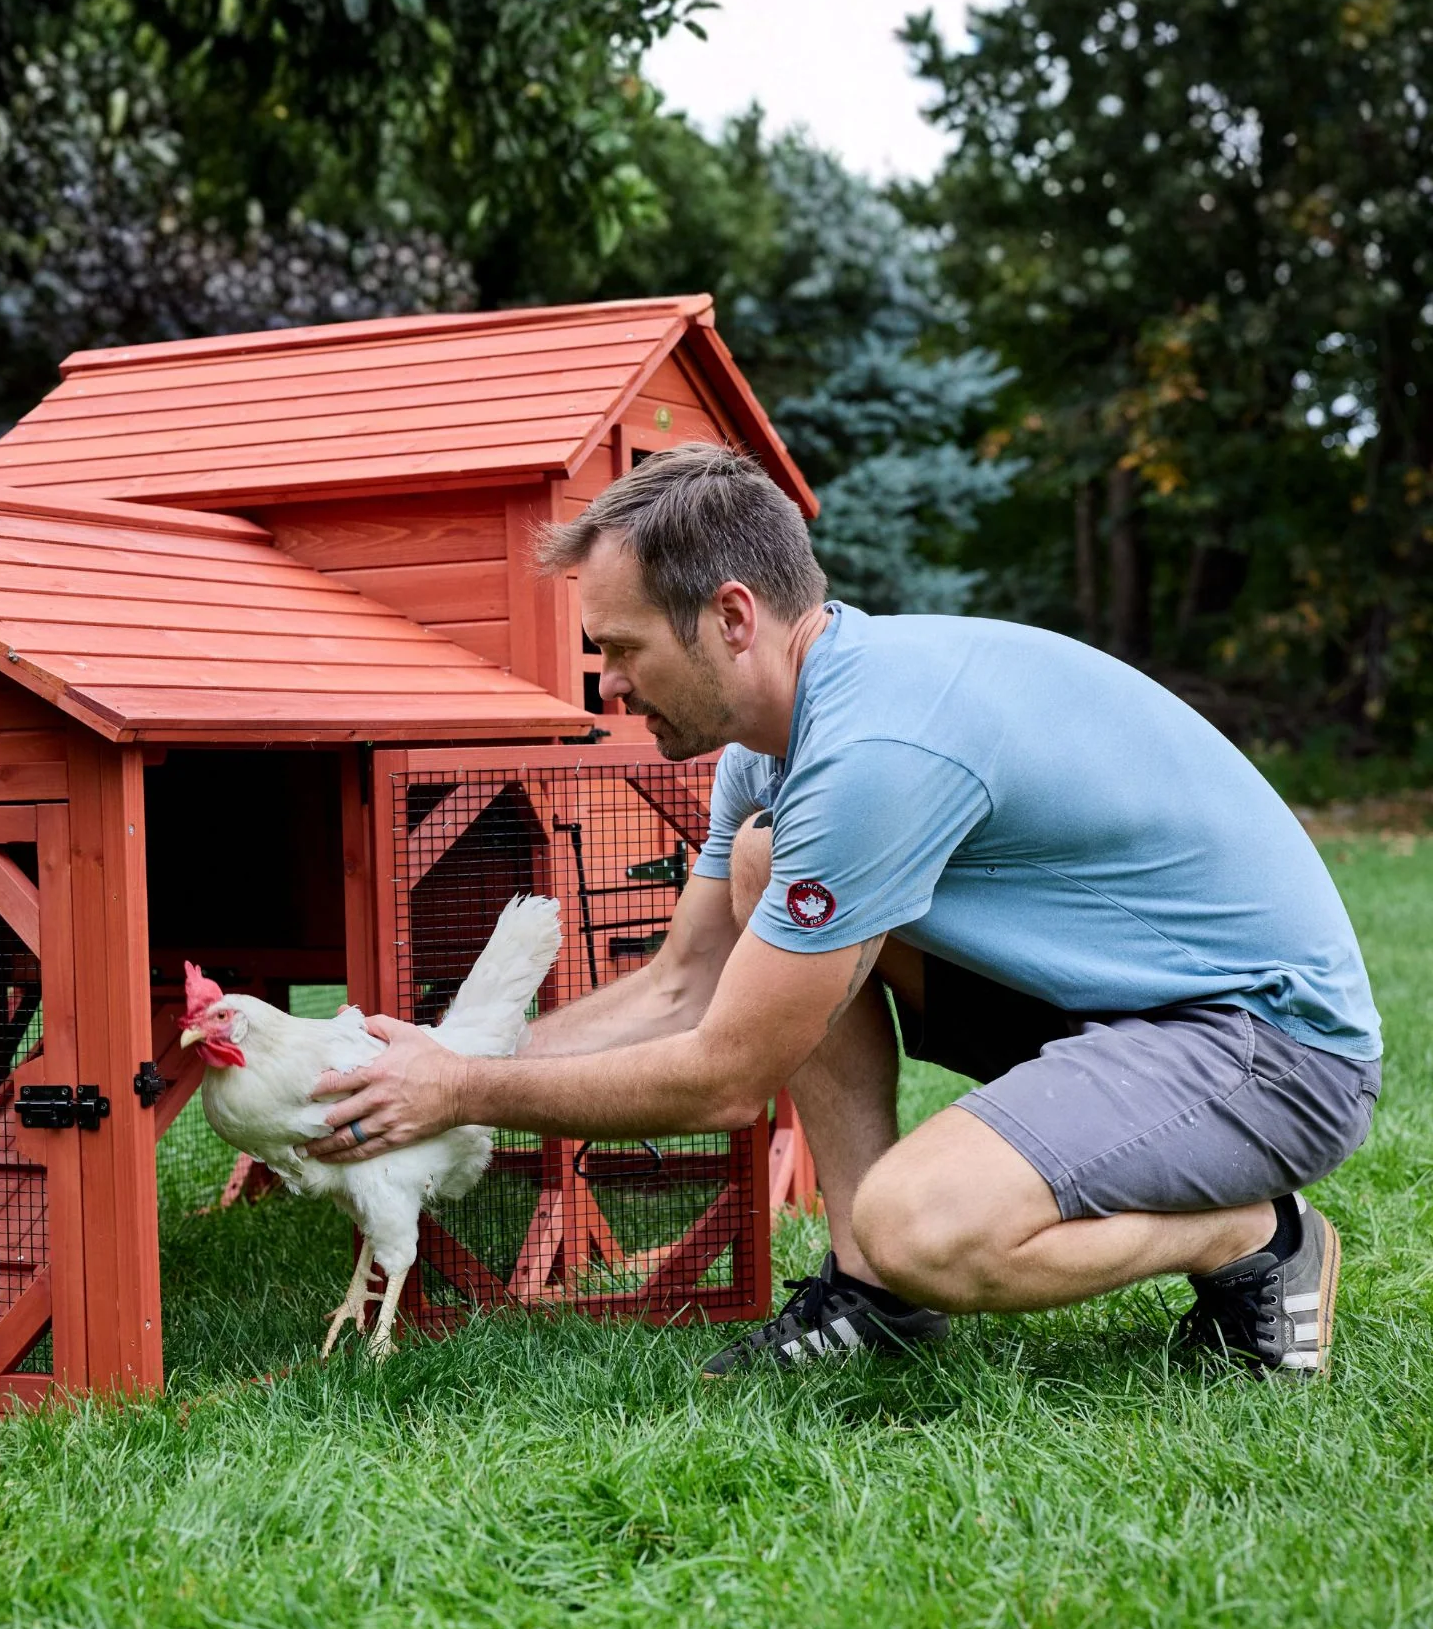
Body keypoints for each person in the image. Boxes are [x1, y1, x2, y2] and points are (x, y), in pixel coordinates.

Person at [308, 443, 1382, 1375]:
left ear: (731, 616)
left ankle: (1252, 1231)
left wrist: (458, 1092)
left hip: (1268, 1047)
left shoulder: (872, 751)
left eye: (621, 647)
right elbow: (685, 985)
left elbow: (727, 1074)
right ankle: (877, 1296)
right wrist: (452, 1063)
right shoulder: (770, 744)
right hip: (1119, 1006)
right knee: (762, 873)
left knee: (923, 1222)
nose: (606, 685)